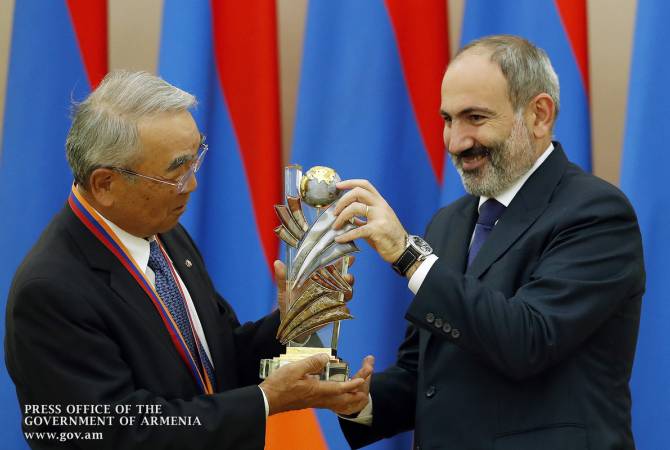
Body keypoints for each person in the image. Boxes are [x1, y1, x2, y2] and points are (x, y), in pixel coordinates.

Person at [4, 70, 369, 450]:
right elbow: (122, 435)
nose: (192, 184)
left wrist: (292, 320)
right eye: (175, 174)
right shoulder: (49, 292)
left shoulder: (162, 232)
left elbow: (219, 360)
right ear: (105, 184)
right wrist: (264, 401)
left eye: (195, 161)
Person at [331, 35, 644, 450]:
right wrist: (357, 402)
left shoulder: (597, 213)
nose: (456, 142)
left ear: (539, 115)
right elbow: (426, 375)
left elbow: (527, 340)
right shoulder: (449, 223)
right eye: (447, 119)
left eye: (474, 118)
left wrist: (409, 256)